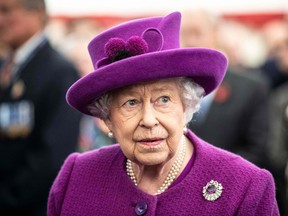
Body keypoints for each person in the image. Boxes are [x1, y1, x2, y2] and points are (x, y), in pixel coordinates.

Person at [48, 12, 279, 215]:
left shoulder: (246, 186)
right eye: (130, 103)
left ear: (186, 105)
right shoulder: (75, 176)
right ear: (107, 118)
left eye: (164, 99)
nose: (149, 120)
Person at [0, 0, 81, 215]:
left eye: (6, 11)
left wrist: (6, 197)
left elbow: (52, 157)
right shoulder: (8, 66)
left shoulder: (59, 71)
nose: (0, 20)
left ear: (36, 12)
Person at [181, 9, 270, 168]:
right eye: (184, 34)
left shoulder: (251, 88)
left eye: (197, 33)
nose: (190, 41)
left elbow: (257, 149)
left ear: (215, 34)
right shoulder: (168, 89)